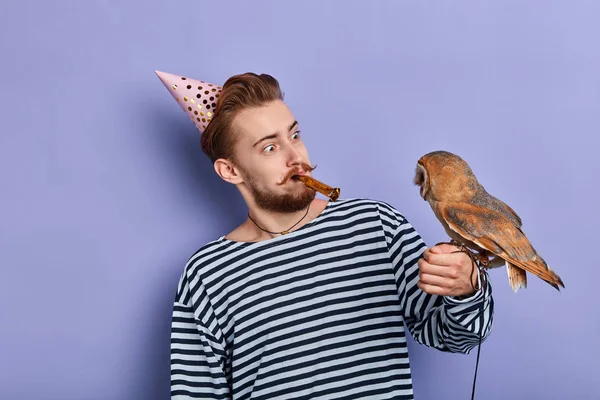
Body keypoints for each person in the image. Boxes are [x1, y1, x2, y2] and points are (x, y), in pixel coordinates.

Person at [165, 72, 494, 400]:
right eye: (269, 147)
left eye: (294, 136)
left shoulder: (375, 227)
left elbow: (455, 337)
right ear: (230, 170)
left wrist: (467, 290)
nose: (296, 158)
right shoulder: (208, 274)